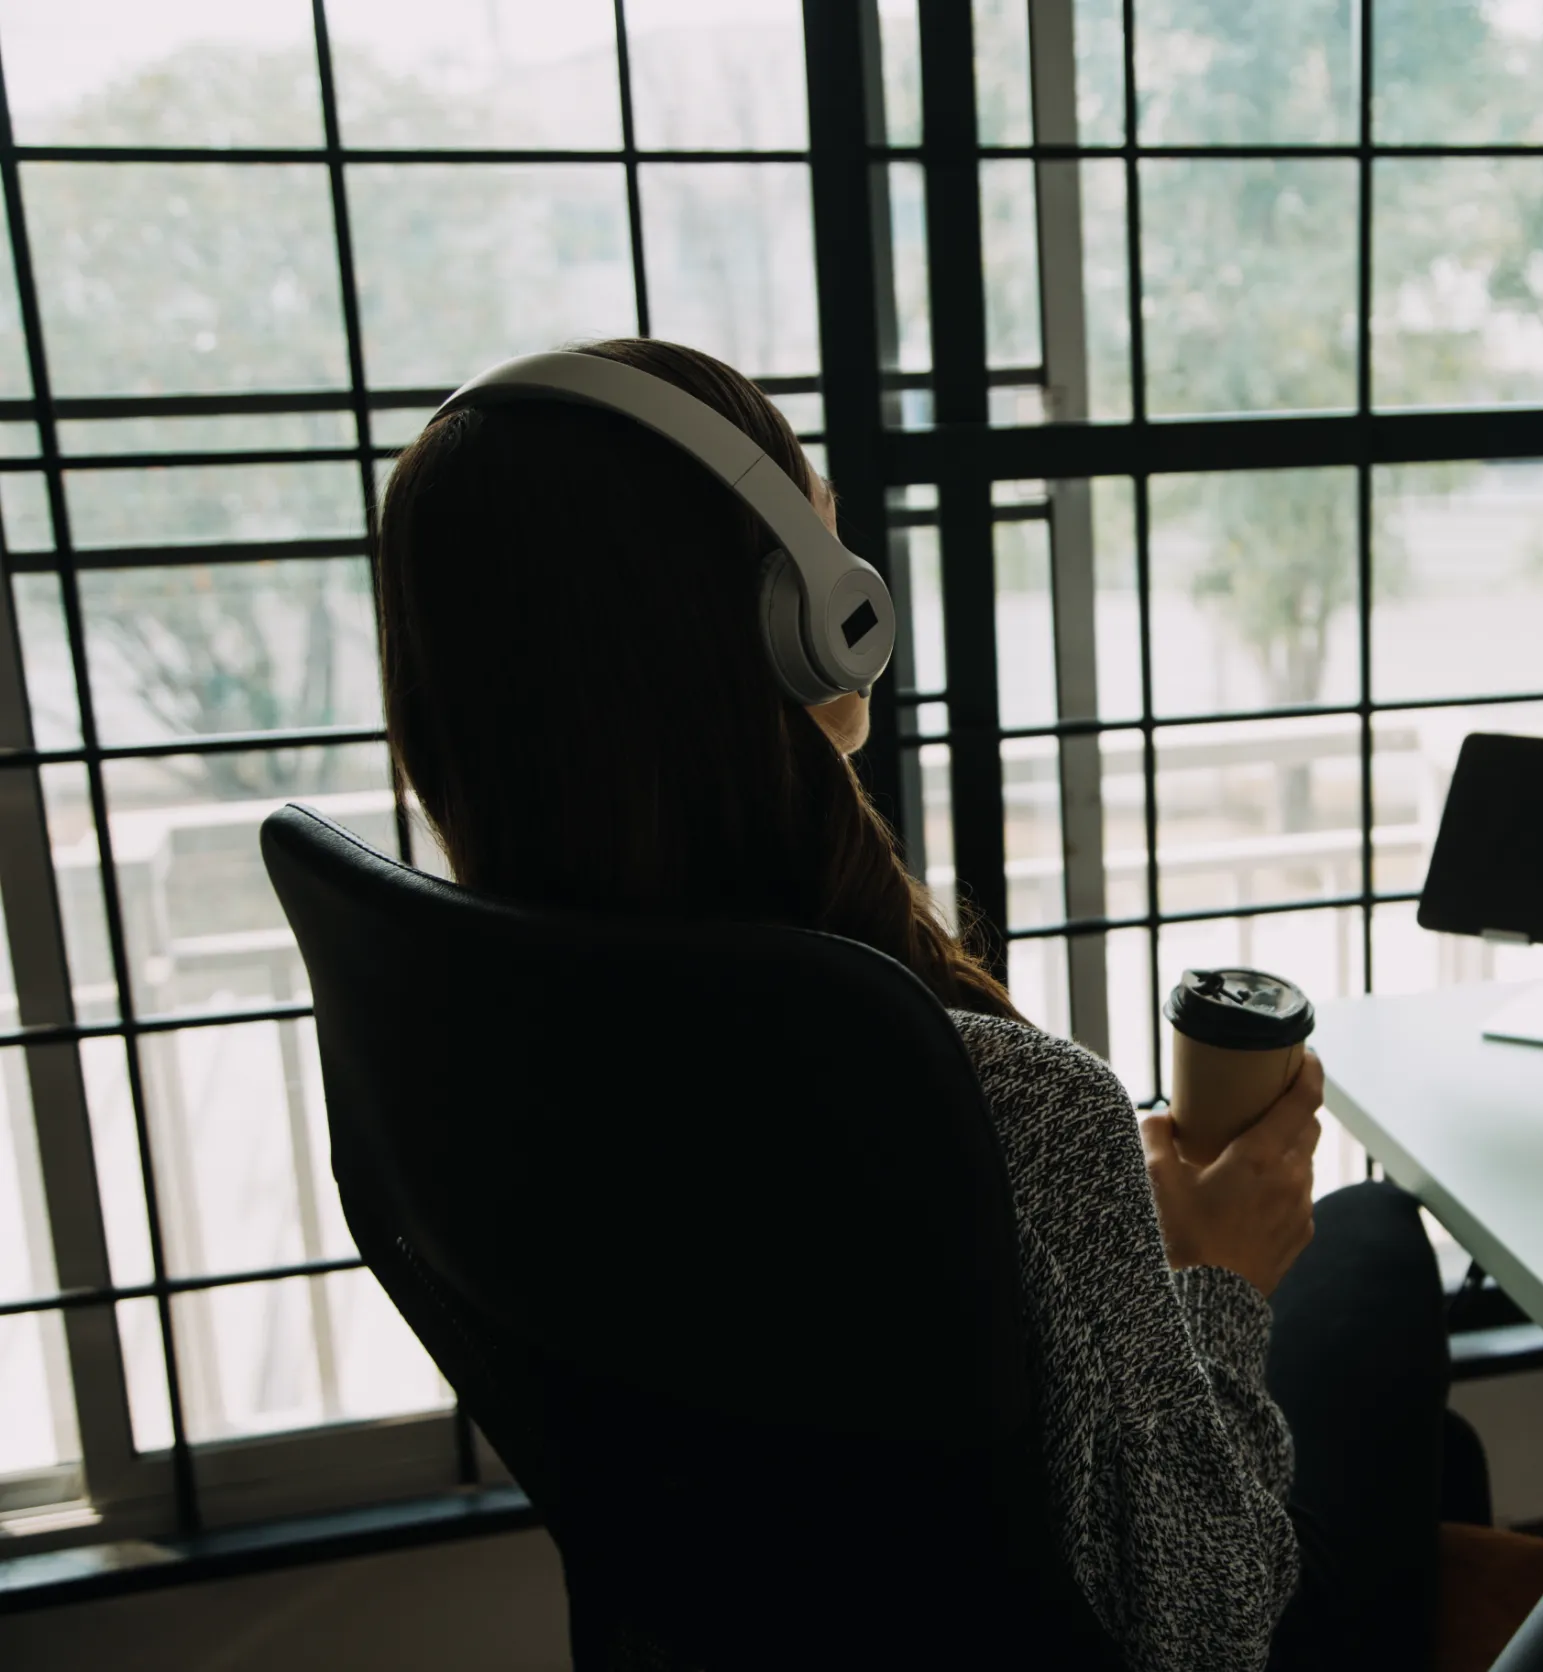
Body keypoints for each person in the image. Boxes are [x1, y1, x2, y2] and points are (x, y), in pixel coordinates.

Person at [375, 338, 1466, 1671]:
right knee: (1375, 1245)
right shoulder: (992, 1099)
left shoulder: (450, 1021)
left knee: (1427, 1461)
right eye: (828, 530)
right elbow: (1204, 1619)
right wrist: (1211, 1276)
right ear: (808, 618)